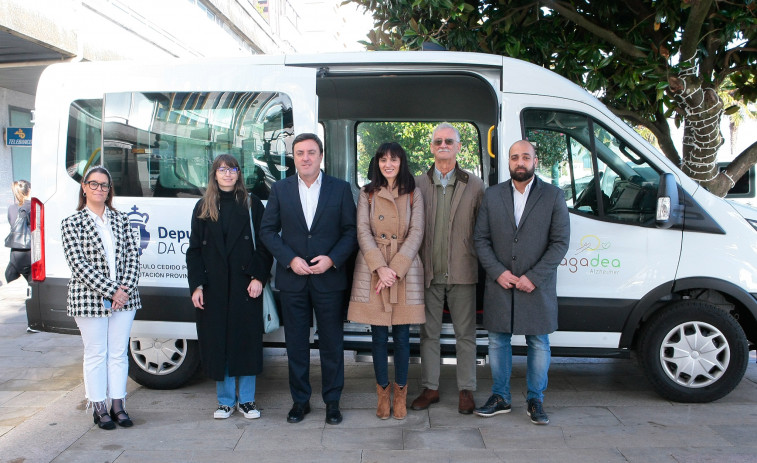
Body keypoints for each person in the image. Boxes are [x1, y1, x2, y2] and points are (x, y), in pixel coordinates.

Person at [260, 133, 357, 425]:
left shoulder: (340, 189)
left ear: (321, 155)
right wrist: (290, 259)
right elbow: (267, 231)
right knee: (297, 345)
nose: (305, 157)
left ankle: (332, 402)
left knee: (332, 344)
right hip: (294, 280)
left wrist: (332, 259)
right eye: (300, 152)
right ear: (293, 157)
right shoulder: (280, 189)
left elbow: (351, 232)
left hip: (329, 280)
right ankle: (300, 401)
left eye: (311, 152)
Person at [472, 140, 570, 425]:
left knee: (538, 341)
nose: (520, 162)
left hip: (536, 286)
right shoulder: (492, 196)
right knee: (497, 340)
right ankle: (500, 397)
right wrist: (497, 272)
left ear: (535, 161)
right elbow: (481, 239)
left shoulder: (553, 196)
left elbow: (560, 243)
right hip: (500, 283)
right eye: (515, 157)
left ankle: (535, 399)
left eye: (525, 157)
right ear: (509, 162)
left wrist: (534, 277)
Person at [186, 154, 273, 420]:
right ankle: (225, 401)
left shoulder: (251, 204)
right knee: (218, 343)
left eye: (232, 169)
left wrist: (258, 278)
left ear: (238, 173)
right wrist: (197, 286)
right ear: (214, 174)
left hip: (245, 286)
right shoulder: (203, 206)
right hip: (213, 288)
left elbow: (265, 244)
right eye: (221, 169)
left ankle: (246, 401)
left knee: (245, 343)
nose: (227, 174)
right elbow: (194, 251)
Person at [347, 142, 425, 420]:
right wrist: (381, 268)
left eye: (393, 159)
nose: (388, 164)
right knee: (378, 336)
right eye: (383, 159)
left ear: (401, 162)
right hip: (373, 269)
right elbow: (362, 231)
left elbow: (417, 232)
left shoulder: (413, 193)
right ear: (377, 163)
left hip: (405, 268)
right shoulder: (367, 193)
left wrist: (396, 268)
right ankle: (382, 393)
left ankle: (401, 393)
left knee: (403, 337)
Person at [60, 166, 142, 430]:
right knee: (96, 353)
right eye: (93, 184)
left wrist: (124, 290)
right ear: (84, 188)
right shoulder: (71, 223)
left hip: (125, 298)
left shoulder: (123, 220)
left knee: (118, 353)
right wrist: (111, 291)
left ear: (109, 190)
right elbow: (79, 264)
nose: (99, 189)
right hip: (89, 297)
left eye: (104, 185)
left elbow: (133, 257)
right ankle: (98, 407)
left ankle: (118, 405)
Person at [412, 122, 485, 414]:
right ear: (431, 147)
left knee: (465, 334)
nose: (443, 145)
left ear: (458, 147)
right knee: (428, 334)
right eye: (438, 141)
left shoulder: (475, 184)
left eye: (449, 141)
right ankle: (430, 389)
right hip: (428, 273)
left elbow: (482, 230)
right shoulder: (417, 184)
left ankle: (466, 390)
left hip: (463, 272)